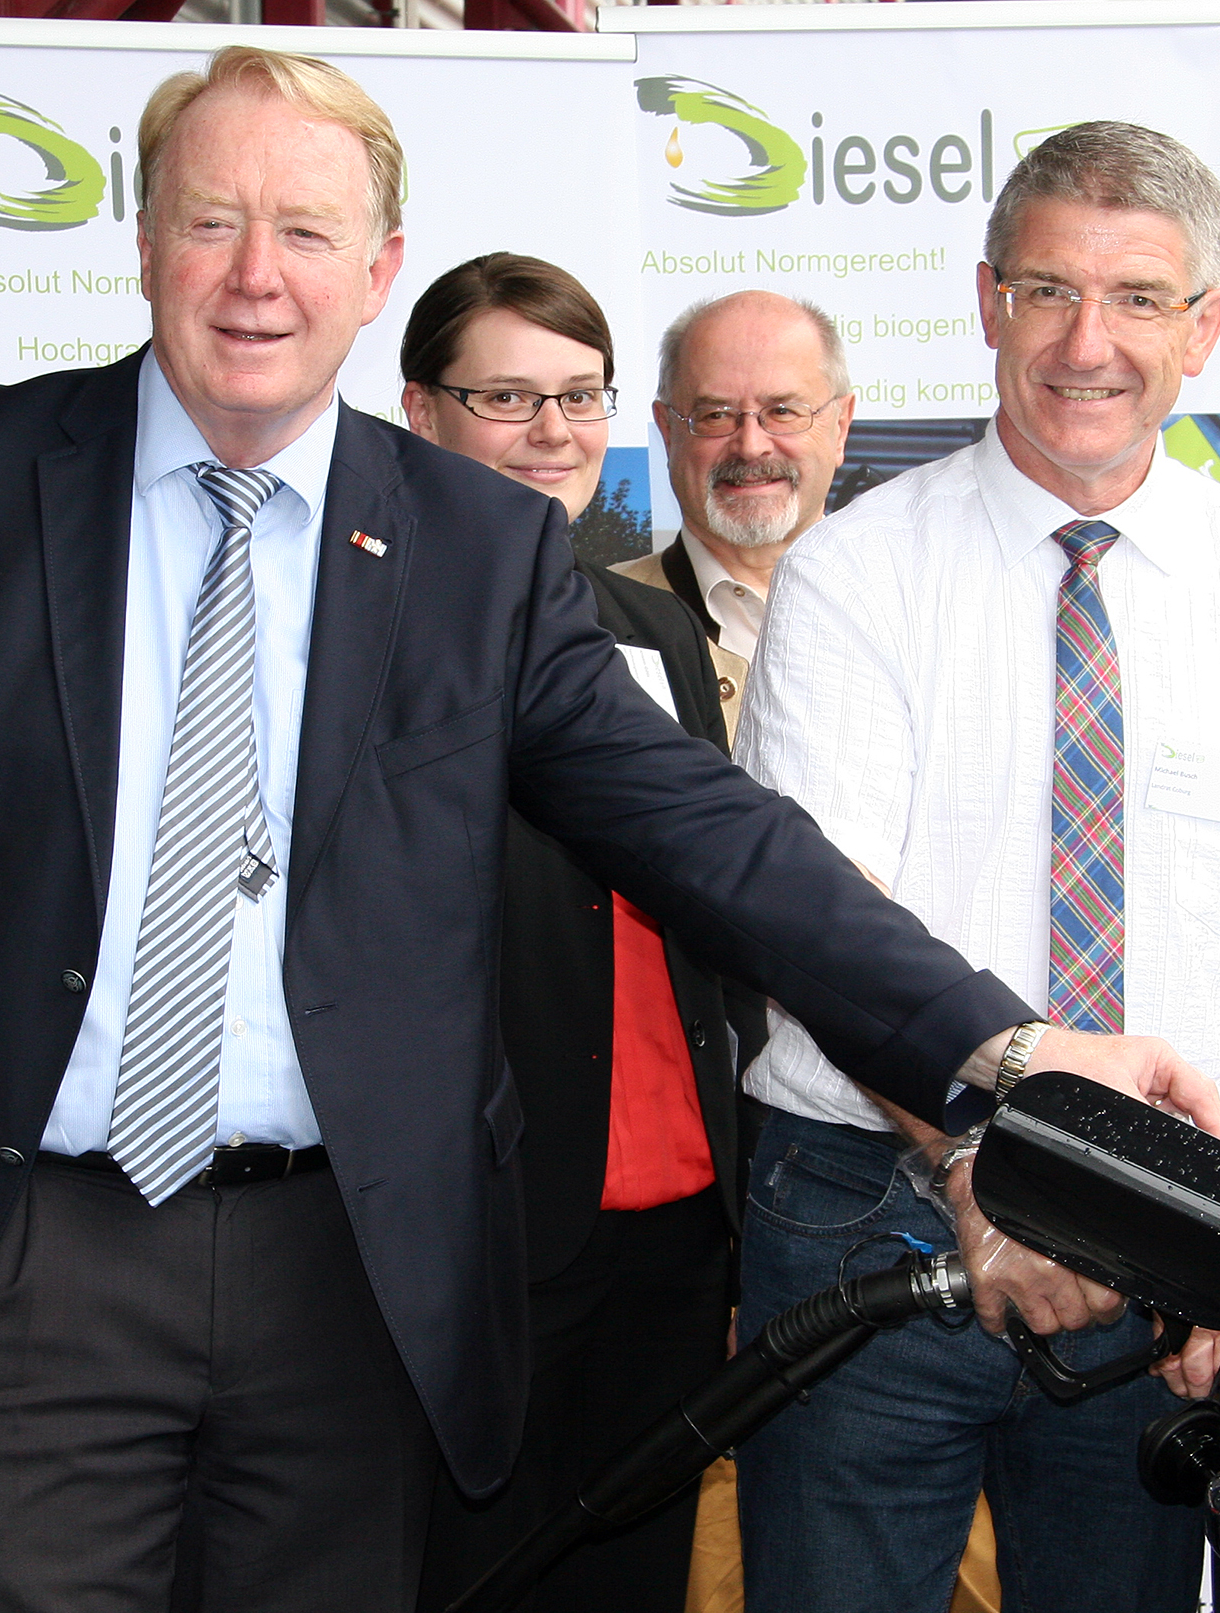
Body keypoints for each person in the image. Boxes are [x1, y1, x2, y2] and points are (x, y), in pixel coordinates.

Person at [0, 50, 1220, 1613]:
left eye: (305, 230)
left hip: (346, 1280)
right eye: (211, 222)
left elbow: (709, 834)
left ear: (378, 269)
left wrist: (1003, 1051)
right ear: (142, 240)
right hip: (18, 1255)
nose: (256, 276)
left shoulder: (476, 551)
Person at [727, 121, 1220, 1613]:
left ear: (1208, 327)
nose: (1086, 342)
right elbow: (823, 930)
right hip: (882, 1196)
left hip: (1170, 1237)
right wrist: (978, 1163)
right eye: (1048, 290)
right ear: (986, 300)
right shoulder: (854, 575)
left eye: (1137, 298)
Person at [396, 252, 735, 1613]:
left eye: (581, 396)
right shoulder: (367, 634)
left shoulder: (656, 623)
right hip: (480, 1220)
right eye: (507, 397)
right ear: (420, 415)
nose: (553, 433)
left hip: (673, 1219)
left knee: (635, 1577)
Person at [611, 291, 854, 743]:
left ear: (840, 426)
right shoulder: (590, 621)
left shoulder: (922, 604)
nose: (751, 445)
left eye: (782, 412)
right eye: (715, 415)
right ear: (667, 431)